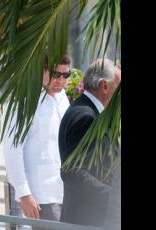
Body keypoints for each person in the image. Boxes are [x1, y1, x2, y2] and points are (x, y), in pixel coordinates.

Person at [3, 54, 71, 230]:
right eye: (56, 74)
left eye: (66, 75)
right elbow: (12, 148)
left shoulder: (64, 99)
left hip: (66, 191)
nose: (61, 80)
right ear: (43, 71)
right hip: (41, 194)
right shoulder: (27, 102)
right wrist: (24, 193)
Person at [58, 59, 121, 226]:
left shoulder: (90, 112)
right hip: (88, 219)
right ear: (104, 86)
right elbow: (72, 171)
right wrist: (113, 198)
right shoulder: (85, 116)